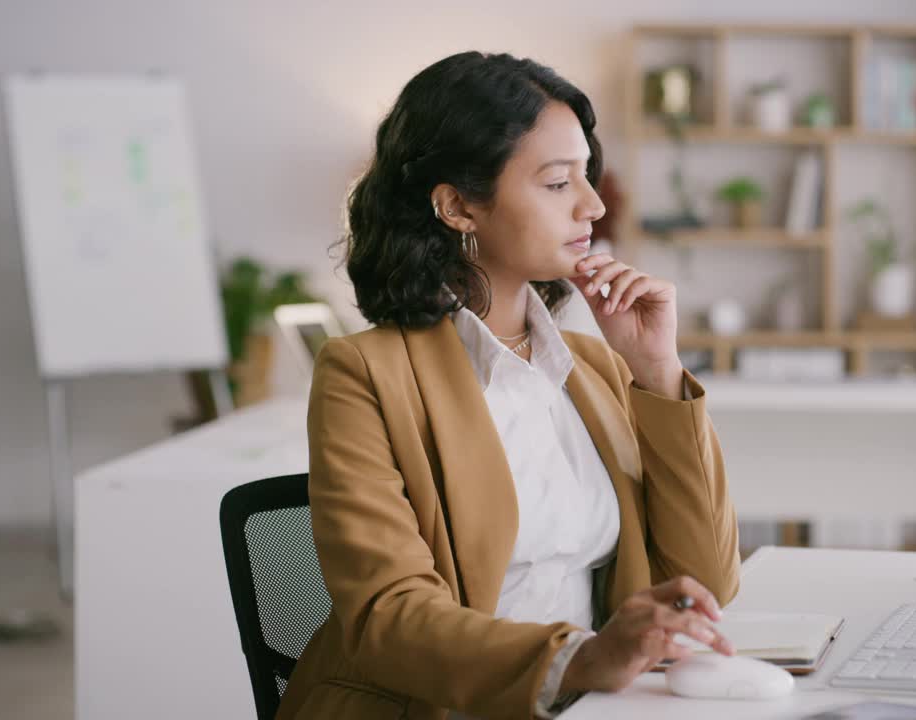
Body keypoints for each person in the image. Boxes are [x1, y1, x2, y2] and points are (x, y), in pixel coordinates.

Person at [276, 51, 741, 720]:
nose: (593, 204)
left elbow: (703, 585)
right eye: (557, 183)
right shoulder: (366, 375)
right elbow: (390, 615)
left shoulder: (597, 367)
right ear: (459, 205)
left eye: (587, 174)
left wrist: (658, 374)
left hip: (594, 704)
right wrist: (580, 659)